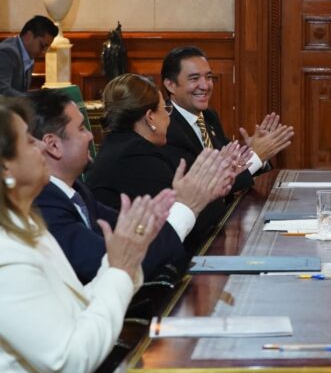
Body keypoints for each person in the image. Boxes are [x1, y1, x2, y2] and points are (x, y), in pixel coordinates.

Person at [0, 96, 173, 373]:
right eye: (27, 142)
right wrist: (120, 269)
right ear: (6, 166)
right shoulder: (6, 256)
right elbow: (70, 359)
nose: (40, 149)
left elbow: (79, 308)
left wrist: (121, 260)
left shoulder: (27, 226)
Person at [28, 89, 234, 283]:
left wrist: (185, 200)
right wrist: (186, 206)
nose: (91, 136)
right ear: (53, 145)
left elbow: (136, 231)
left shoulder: (76, 191)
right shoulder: (42, 202)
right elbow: (112, 263)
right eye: (82, 128)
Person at [85, 74, 246, 247]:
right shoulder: (136, 156)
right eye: (165, 109)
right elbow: (186, 229)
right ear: (150, 117)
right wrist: (209, 190)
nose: (169, 117)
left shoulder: (122, 145)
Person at [159, 46, 293, 197]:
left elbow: (231, 171)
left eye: (209, 77)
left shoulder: (208, 116)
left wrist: (248, 156)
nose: (205, 86)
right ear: (170, 85)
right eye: (194, 78)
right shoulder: (165, 126)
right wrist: (256, 157)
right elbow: (207, 189)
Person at [0, 16, 58, 96]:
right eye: (42, 45)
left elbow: (20, 91)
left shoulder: (28, 55)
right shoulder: (6, 53)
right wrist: (33, 100)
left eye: (46, 48)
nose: (44, 52)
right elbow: (3, 92)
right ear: (29, 35)